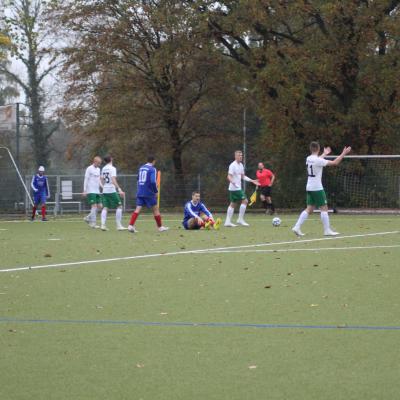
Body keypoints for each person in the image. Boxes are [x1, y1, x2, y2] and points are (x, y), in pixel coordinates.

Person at [292, 142, 351, 237]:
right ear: (318, 149)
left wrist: (324, 154)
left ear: (311, 149)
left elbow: (317, 160)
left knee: (309, 209)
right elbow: (335, 163)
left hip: (309, 187)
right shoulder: (317, 160)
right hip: (317, 188)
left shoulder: (308, 158)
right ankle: (327, 230)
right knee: (324, 208)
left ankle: (296, 227)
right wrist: (344, 153)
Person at [128, 156, 169, 233]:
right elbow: (153, 181)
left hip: (140, 191)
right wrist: (155, 191)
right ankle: (160, 227)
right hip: (148, 192)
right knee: (155, 209)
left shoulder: (141, 168)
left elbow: (138, 178)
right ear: (153, 161)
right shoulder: (152, 169)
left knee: (138, 209)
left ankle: (130, 225)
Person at [225, 150, 258, 227]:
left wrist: (251, 180)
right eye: (239, 155)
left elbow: (243, 176)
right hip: (235, 188)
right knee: (245, 201)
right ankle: (240, 220)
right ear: (235, 156)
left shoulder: (241, 165)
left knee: (233, 204)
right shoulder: (232, 165)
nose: (241, 157)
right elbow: (229, 176)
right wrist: (232, 181)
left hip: (235, 188)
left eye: (241, 155)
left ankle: (227, 222)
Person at [100, 155, 126, 231]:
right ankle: (118, 225)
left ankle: (103, 225)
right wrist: (119, 189)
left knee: (105, 207)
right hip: (111, 190)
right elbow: (113, 179)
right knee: (119, 206)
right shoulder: (112, 168)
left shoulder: (103, 168)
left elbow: (101, 179)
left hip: (105, 190)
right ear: (111, 159)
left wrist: (103, 186)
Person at [83, 156, 102, 228]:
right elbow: (86, 179)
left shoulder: (99, 169)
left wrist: (102, 186)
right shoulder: (89, 168)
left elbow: (99, 180)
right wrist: (84, 190)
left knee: (100, 206)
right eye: (99, 163)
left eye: (100, 163)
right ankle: (93, 223)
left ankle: (88, 218)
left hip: (97, 191)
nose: (99, 164)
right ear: (95, 162)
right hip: (90, 191)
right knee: (94, 206)